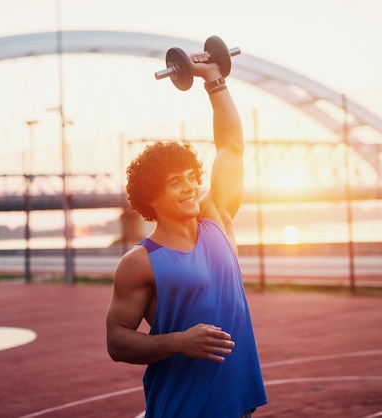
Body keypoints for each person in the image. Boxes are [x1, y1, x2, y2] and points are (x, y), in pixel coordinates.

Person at [106, 47, 267, 418]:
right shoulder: (139, 262)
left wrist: (213, 79)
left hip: (238, 402)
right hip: (182, 408)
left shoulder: (217, 218)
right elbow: (117, 342)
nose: (192, 187)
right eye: (176, 182)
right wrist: (179, 342)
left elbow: (231, 147)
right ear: (152, 196)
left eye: (193, 178)